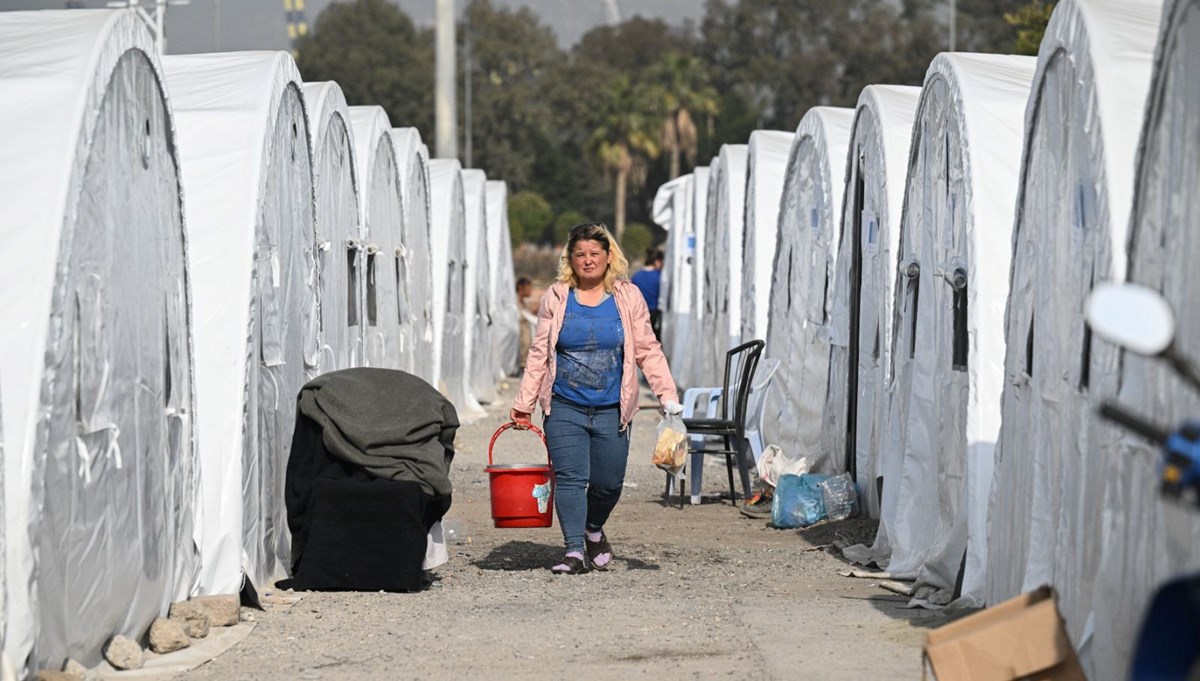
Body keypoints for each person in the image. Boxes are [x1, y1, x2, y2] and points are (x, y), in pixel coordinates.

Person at [510, 223, 682, 574]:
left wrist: (667, 395)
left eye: (594, 254)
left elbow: (648, 349)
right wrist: (525, 403)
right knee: (571, 478)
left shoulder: (627, 296)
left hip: (611, 408)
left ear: (608, 258)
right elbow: (540, 353)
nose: (587, 261)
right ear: (570, 260)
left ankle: (592, 529)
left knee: (609, 482)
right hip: (564, 405)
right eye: (580, 255)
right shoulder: (557, 297)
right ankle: (573, 550)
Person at [630, 248, 664, 339]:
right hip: (654, 313)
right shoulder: (659, 276)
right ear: (657, 261)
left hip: (638, 313)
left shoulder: (636, 275)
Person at [515, 277, 536, 374]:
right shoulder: (514, 302)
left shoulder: (524, 302)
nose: (530, 290)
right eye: (528, 288)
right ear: (521, 288)